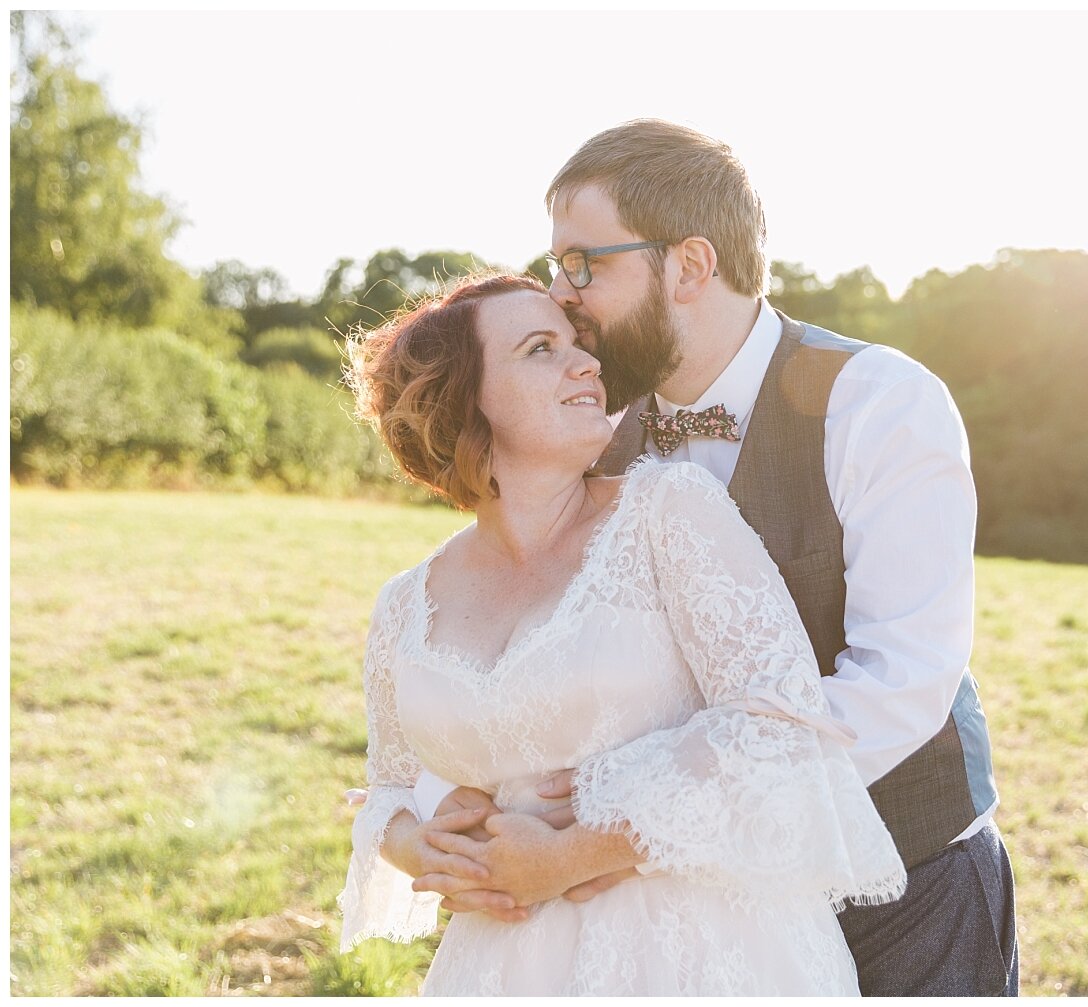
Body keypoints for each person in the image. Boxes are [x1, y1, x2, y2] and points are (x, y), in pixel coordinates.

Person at [405, 120, 1019, 996]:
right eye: (554, 265)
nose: (561, 294)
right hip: (695, 921)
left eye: (585, 264)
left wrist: (624, 826)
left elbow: (901, 680)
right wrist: (433, 810)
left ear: (690, 266)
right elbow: (524, 648)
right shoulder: (591, 430)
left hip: (905, 884)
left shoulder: (882, 406)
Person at [336, 270, 905, 995]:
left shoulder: (668, 512)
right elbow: (388, 785)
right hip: (506, 964)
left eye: (578, 342)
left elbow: (781, 722)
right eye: (541, 348)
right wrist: (423, 847)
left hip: (703, 952)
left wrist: (572, 852)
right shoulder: (403, 605)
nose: (588, 363)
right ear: (464, 398)